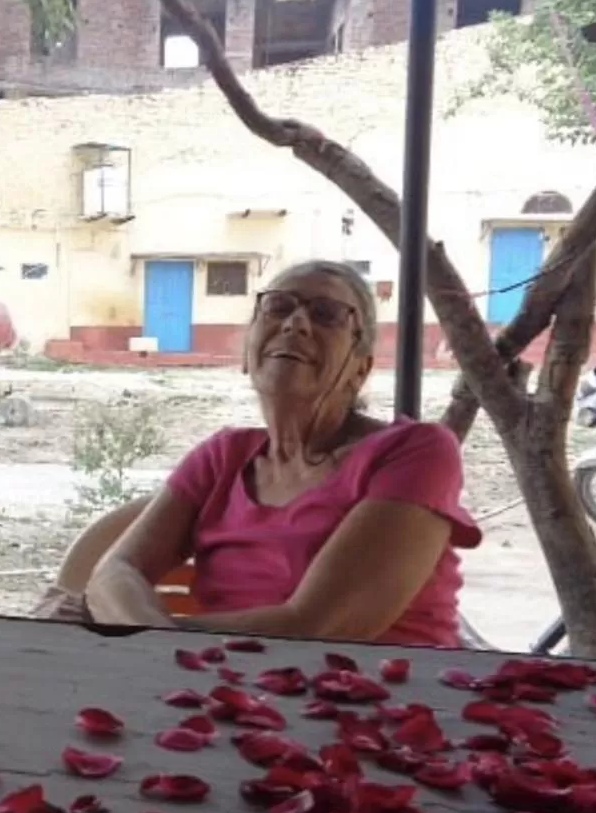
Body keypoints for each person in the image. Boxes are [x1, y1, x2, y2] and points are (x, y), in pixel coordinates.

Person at [83, 260, 480, 648]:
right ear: (246, 354)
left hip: (379, 694)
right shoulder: (223, 458)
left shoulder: (414, 452)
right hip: (219, 684)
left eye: (326, 314)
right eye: (278, 307)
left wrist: (155, 640)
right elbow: (115, 570)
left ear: (360, 369)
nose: (296, 323)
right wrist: (155, 638)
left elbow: (318, 626)